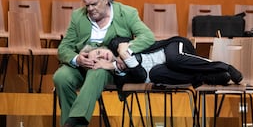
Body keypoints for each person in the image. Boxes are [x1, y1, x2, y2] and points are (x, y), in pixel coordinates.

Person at [51, 0, 156, 127]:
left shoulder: (126, 13)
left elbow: (148, 37)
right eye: (87, 5)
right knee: (61, 77)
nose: (90, 9)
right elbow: (63, 48)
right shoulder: (78, 17)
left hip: (108, 67)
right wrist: (77, 59)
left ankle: (70, 125)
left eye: (94, 4)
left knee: (98, 70)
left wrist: (124, 50)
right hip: (82, 65)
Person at [87, 36, 243, 89]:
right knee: (156, 74)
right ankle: (208, 76)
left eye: (99, 53)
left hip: (172, 48)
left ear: (103, 48)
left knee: (173, 60)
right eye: (98, 60)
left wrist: (122, 53)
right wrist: (118, 64)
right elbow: (141, 75)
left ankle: (224, 66)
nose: (103, 57)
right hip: (166, 70)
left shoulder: (116, 44)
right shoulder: (119, 76)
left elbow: (122, 41)